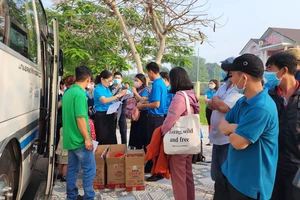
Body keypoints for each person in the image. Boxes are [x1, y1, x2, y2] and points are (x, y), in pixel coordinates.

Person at [217, 54, 279, 200]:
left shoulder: (261, 108)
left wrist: (231, 129)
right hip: (229, 173)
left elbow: (238, 143)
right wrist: (235, 128)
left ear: (243, 78)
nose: (230, 80)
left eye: (232, 76)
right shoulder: (243, 101)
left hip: (249, 185)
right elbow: (222, 126)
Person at [264, 52, 300, 200]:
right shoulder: (267, 97)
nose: (267, 74)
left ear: (283, 71)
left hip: (296, 168)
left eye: (270, 69)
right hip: (271, 166)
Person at [162, 67, 199, 200]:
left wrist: (162, 132)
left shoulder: (179, 97)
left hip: (178, 141)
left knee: (178, 178)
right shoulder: (191, 94)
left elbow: (170, 119)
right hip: (189, 140)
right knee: (187, 174)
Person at [207, 57, 243, 185]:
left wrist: (216, 101)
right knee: (217, 175)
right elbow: (210, 104)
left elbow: (224, 107)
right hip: (217, 138)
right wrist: (217, 101)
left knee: (226, 176)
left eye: (225, 70)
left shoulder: (238, 89)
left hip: (227, 140)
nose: (223, 72)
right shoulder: (224, 87)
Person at [62, 65, 96, 200]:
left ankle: (71, 196)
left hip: (70, 139)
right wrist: (87, 138)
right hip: (80, 139)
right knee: (89, 169)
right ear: (88, 79)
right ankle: (89, 197)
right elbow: (81, 118)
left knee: (72, 169)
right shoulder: (81, 94)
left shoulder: (68, 92)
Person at [136, 62, 167, 181]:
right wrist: (144, 101)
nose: (148, 76)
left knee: (153, 145)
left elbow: (156, 104)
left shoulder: (157, 84)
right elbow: (154, 99)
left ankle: (157, 171)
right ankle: (150, 167)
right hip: (157, 117)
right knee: (152, 143)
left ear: (151, 72)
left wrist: (142, 106)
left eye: (148, 74)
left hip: (155, 118)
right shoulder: (160, 83)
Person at [93, 70, 127, 145]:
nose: (110, 83)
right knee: (103, 138)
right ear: (102, 79)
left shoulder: (107, 88)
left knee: (111, 137)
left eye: (110, 81)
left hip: (109, 114)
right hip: (101, 115)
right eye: (108, 81)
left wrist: (114, 109)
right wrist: (118, 95)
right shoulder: (98, 89)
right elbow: (104, 100)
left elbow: (110, 101)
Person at [128, 73, 150, 149]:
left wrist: (135, 93)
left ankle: (141, 149)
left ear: (142, 81)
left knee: (140, 133)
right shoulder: (137, 89)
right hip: (135, 113)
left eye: (137, 80)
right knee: (134, 132)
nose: (135, 82)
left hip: (143, 113)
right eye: (134, 80)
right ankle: (135, 148)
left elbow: (142, 100)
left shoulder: (145, 90)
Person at [109, 72, 129, 145]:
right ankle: (114, 147)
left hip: (122, 112)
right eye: (116, 78)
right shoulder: (109, 88)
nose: (117, 79)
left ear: (121, 79)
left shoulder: (125, 89)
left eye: (118, 78)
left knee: (123, 131)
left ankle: (124, 147)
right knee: (112, 131)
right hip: (112, 112)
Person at [204, 79, 219, 145]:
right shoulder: (207, 91)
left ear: (216, 84)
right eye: (210, 83)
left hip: (215, 109)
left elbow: (217, 100)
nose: (211, 85)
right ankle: (210, 139)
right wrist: (212, 100)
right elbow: (205, 100)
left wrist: (209, 100)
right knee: (209, 124)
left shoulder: (218, 91)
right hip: (208, 108)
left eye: (212, 83)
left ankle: (216, 139)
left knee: (215, 123)